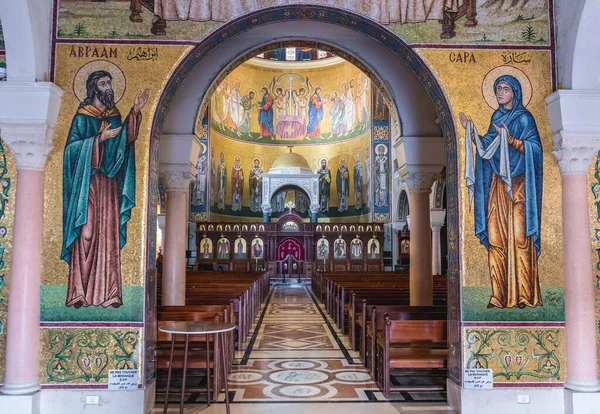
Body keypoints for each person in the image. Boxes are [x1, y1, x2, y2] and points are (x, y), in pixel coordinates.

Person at [62, 69, 149, 308]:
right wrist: (99, 139)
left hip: (109, 186)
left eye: (109, 82)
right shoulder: (81, 117)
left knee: (108, 236)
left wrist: (135, 113)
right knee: (86, 232)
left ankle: (109, 294)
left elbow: (124, 143)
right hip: (86, 185)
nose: (108, 86)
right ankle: (79, 293)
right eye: (103, 83)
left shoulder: (114, 116)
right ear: (94, 88)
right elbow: (70, 151)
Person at [459, 74, 543, 309]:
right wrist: (472, 132)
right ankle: (499, 295)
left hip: (518, 187)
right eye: (497, 89)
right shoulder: (496, 116)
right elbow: (488, 146)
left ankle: (524, 295)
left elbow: (535, 150)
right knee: (496, 239)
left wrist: (512, 140)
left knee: (520, 238)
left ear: (514, 92)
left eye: (505, 89)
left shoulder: (525, 119)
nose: (500, 93)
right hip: (498, 186)